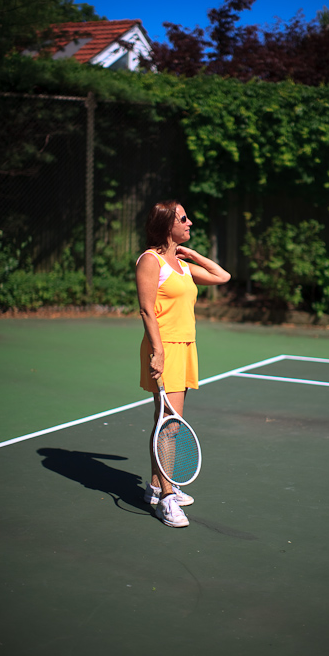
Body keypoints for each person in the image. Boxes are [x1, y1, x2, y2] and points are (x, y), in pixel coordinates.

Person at [136, 200, 231, 527]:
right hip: (166, 349)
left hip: (186, 348)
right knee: (171, 425)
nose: (190, 222)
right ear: (167, 225)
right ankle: (166, 498)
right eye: (183, 218)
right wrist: (158, 352)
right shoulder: (151, 261)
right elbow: (147, 309)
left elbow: (223, 276)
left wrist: (192, 255)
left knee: (167, 421)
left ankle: (154, 486)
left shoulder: (180, 264)